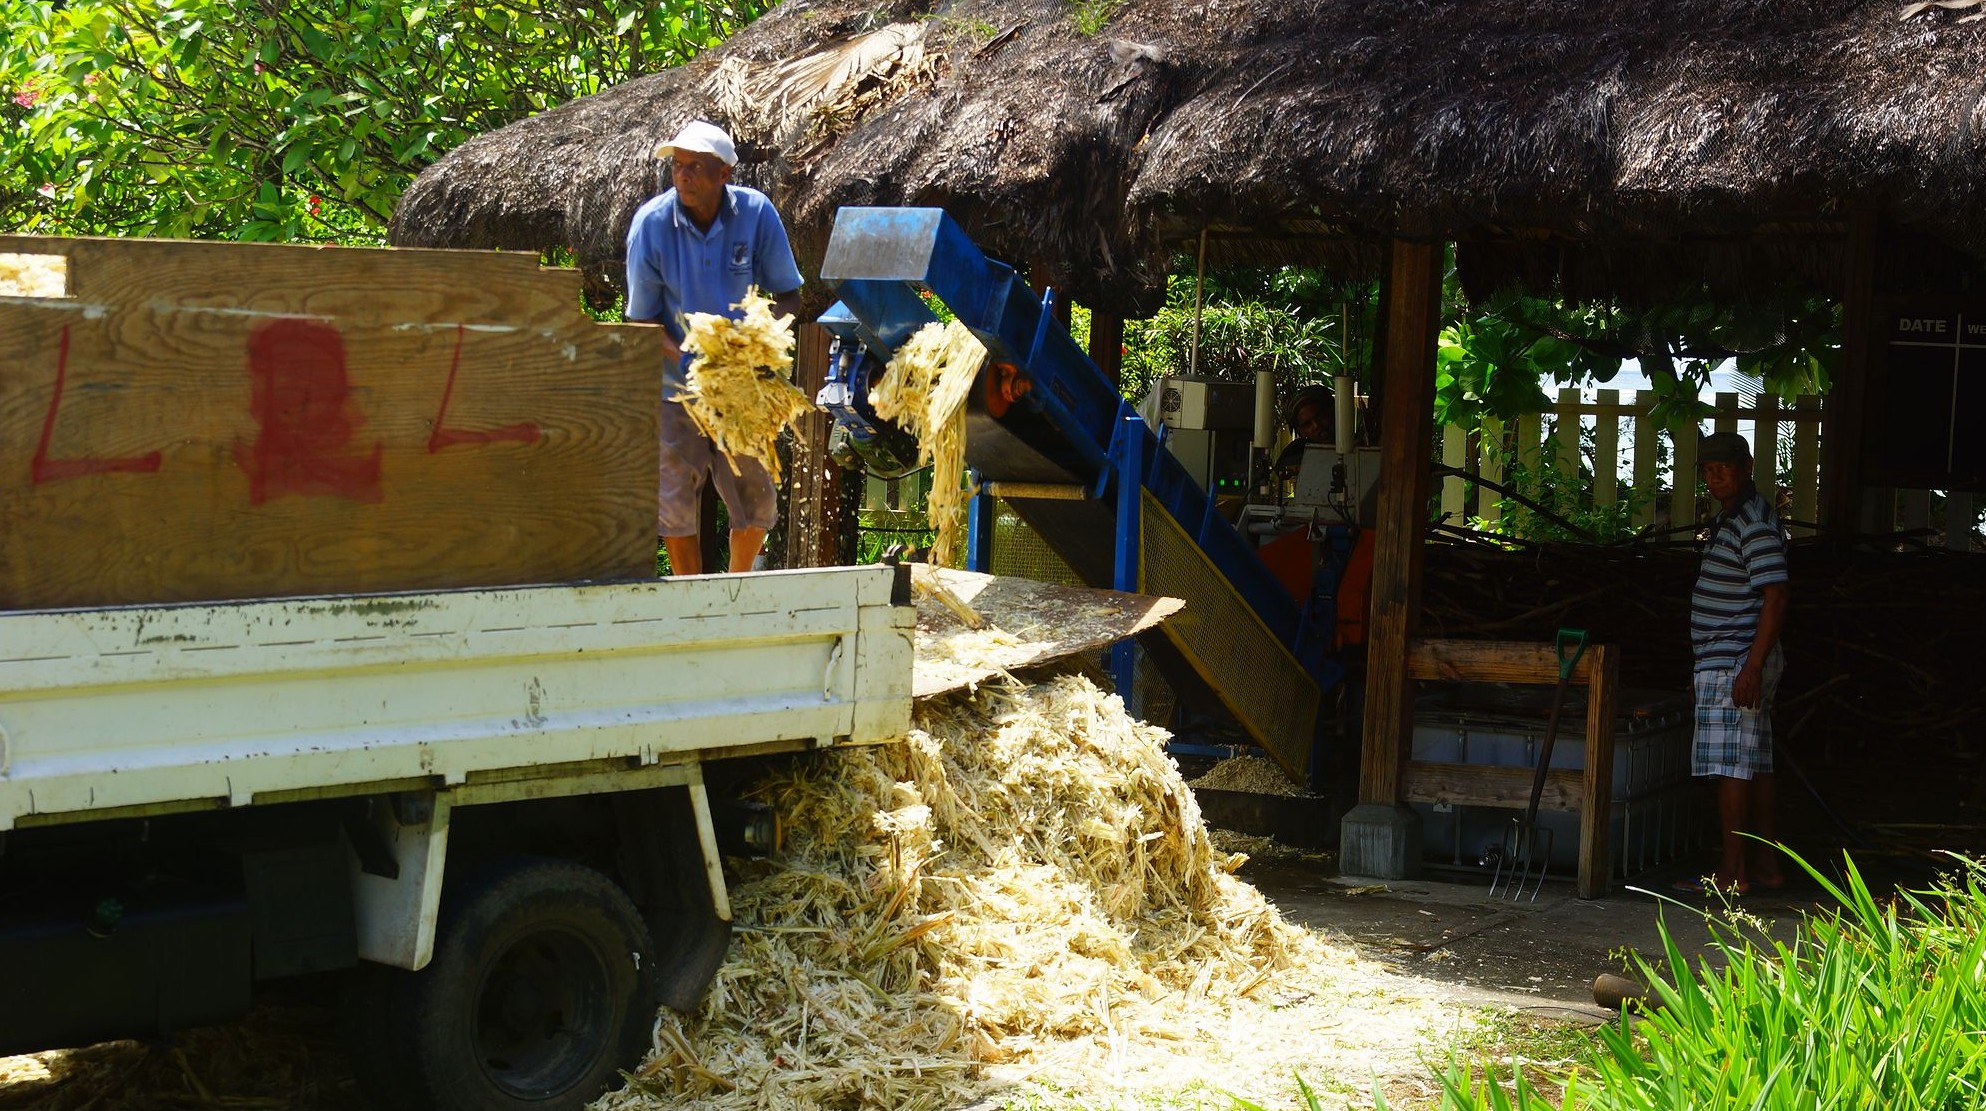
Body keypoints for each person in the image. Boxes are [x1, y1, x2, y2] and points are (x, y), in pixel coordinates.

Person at [625, 120, 803, 575]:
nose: (683, 175)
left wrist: (760, 344)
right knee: (675, 501)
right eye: (678, 166)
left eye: (696, 167)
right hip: (675, 390)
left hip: (743, 390)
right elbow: (641, 318)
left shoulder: (755, 213)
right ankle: (692, 601)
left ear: (724, 174)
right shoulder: (651, 224)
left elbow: (789, 295)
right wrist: (689, 356)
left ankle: (734, 588)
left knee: (758, 499)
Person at [1682, 431, 1790, 894]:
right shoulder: (1735, 517)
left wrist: (1749, 667)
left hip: (1735, 660)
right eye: (1708, 469)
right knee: (1755, 763)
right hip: (1731, 659)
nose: (1715, 476)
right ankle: (1765, 865)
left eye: (1724, 467)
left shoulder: (1753, 522)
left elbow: (1776, 595)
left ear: (1747, 466)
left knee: (1731, 767)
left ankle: (1732, 874)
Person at [1273, 384, 1334, 477]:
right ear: (1301, 431)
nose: (1316, 425)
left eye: (1320, 416)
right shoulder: (1296, 450)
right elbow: (1283, 468)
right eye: (1307, 424)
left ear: (1331, 412)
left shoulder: (1356, 444)